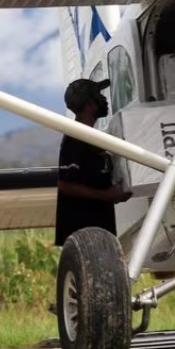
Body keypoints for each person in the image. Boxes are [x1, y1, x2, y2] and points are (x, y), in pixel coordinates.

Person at [54, 78, 133, 248]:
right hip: (84, 235)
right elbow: (64, 184)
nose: (104, 99)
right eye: (99, 95)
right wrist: (105, 195)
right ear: (89, 104)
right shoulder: (74, 138)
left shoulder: (91, 139)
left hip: (99, 231)